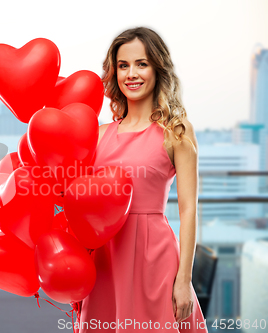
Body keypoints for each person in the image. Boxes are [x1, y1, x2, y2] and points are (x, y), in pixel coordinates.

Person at [75, 27, 208, 333]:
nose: (131, 74)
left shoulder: (176, 131)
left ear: (157, 68)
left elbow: (188, 209)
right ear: (114, 72)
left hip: (154, 258)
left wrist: (184, 280)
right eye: (123, 65)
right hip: (105, 261)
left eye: (141, 63)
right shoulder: (97, 135)